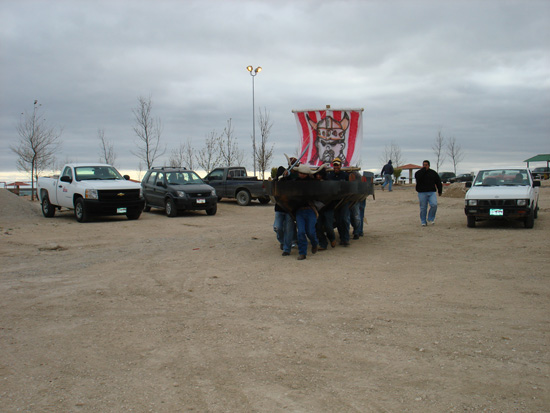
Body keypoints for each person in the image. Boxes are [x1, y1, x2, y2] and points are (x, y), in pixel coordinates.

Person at [288, 164, 319, 260]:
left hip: (310, 210)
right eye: (300, 173)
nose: (301, 175)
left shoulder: (312, 183)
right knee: (301, 232)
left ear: (307, 174)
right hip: (299, 211)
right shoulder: (295, 182)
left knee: (311, 232)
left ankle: (314, 243)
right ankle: (302, 253)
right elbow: (286, 183)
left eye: (304, 173)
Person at [326, 158, 351, 246]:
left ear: (340, 166)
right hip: (334, 201)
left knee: (344, 219)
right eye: (335, 165)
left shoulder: (345, 175)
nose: (336, 167)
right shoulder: (329, 176)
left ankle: (346, 239)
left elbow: (349, 187)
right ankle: (342, 238)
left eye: (338, 165)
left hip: (343, 201)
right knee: (338, 221)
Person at [414, 160, 443, 226]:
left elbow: (438, 182)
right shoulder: (419, 173)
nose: (425, 166)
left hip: (431, 192)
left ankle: (430, 218)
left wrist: (440, 191)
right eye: (424, 165)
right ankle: (423, 221)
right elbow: (417, 177)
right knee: (423, 207)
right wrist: (423, 170)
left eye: (426, 165)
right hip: (422, 193)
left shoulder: (433, 173)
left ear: (429, 165)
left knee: (434, 204)